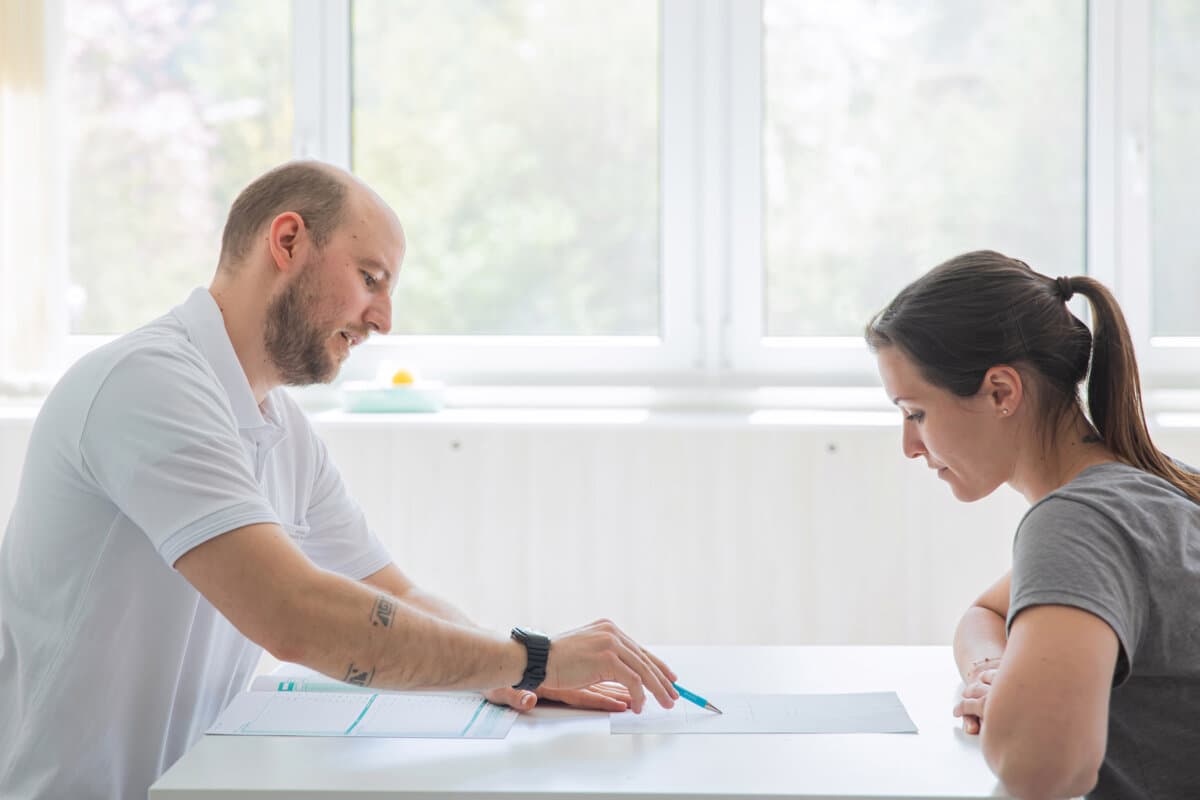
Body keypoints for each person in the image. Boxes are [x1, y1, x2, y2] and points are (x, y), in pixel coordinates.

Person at [0, 161, 680, 800]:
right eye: (371, 277)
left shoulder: (282, 430)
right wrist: (529, 660)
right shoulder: (148, 384)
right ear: (289, 240)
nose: (383, 319)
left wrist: (517, 677)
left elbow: (392, 592)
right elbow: (296, 617)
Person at [865, 250, 1200, 799]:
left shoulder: (1078, 522)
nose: (909, 446)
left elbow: (1042, 768)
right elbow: (985, 612)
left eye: (916, 413)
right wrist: (994, 669)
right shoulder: (1152, 487)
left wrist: (1011, 703)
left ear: (1001, 391)